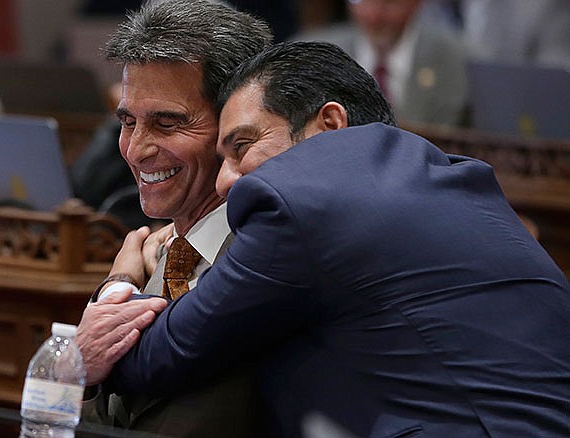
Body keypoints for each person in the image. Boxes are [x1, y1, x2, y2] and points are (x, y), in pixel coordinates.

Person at [87, 41, 570, 437]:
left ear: (330, 124)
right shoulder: (446, 172)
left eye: (243, 146)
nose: (225, 180)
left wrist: (117, 284)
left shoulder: (305, 203)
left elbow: (162, 354)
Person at [74, 0, 273, 436]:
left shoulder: (273, 258)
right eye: (128, 122)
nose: (136, 149)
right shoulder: (157, 255)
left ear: (235, 126)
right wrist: (79, 368)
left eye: (167, 124)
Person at [291, 0, 469, 127]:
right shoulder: (310, 52)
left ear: (417, 3)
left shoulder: (455, 59)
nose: (373, 15)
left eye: (389, 3)